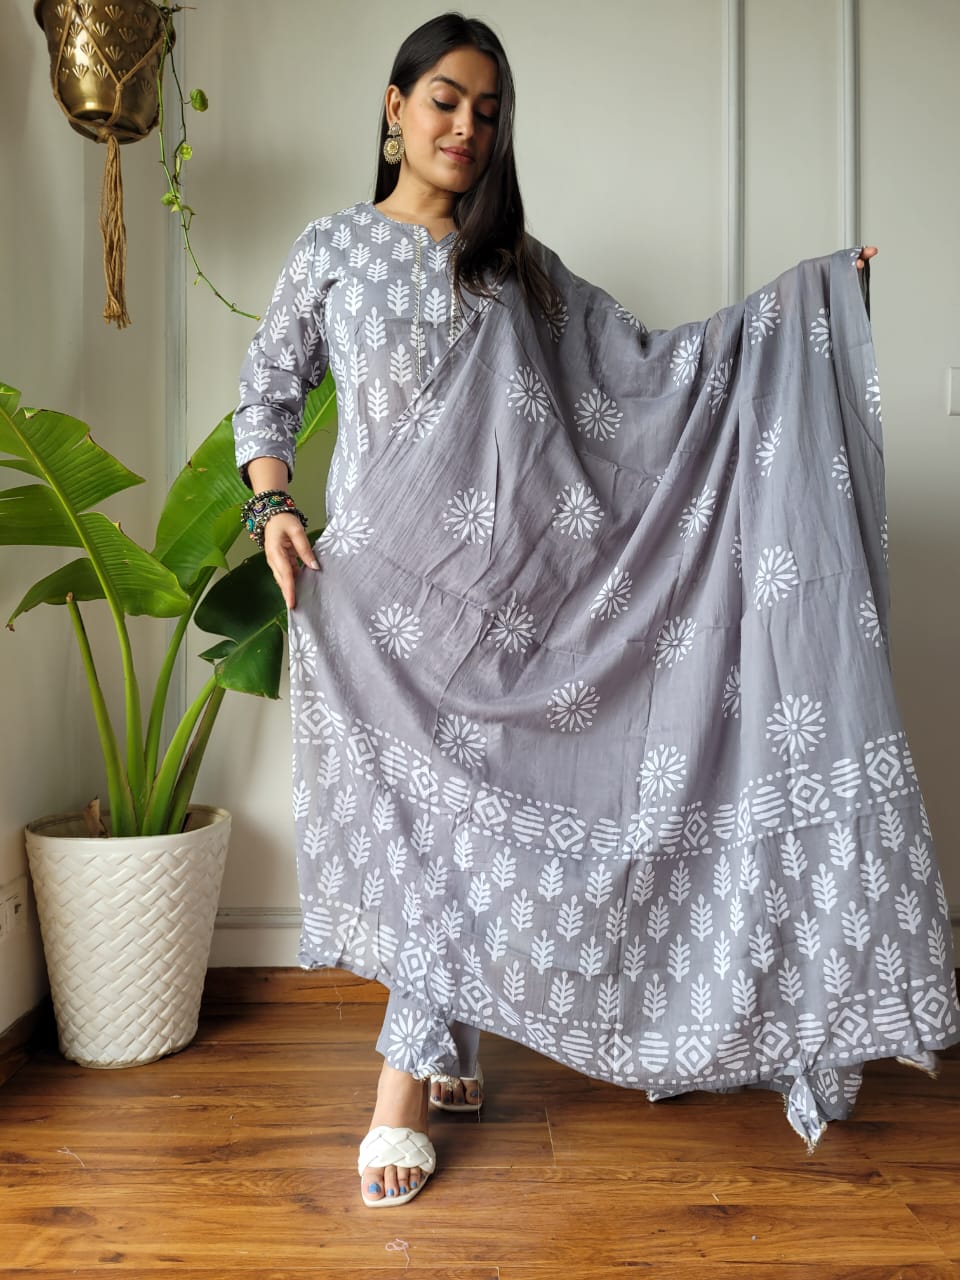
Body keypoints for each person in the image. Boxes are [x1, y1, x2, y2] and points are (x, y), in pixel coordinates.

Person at [234, 13, 955, 1211]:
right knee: (426, 838)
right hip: (383, 610)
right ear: (395, 107)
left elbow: (654, 371)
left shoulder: (517, 268)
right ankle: (427, 1057)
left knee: (471, 836)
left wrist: (811, 307)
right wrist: (271, 508)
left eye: (488, 112)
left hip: (513, 615)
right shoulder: (331, 249)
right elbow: (267, 392)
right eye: (446, 100)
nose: (466, 128)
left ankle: (414, 1074)